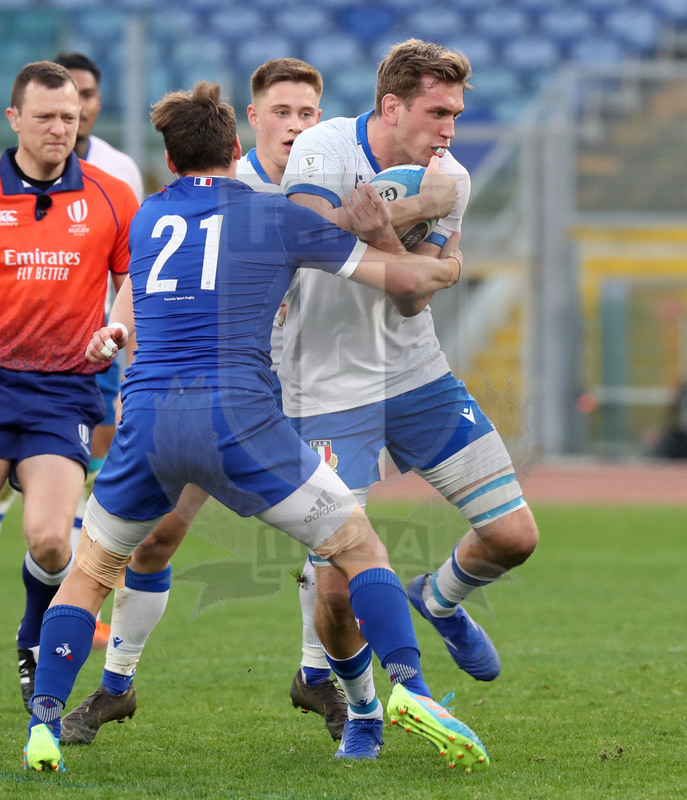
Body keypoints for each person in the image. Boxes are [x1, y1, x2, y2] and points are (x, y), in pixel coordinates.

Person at [22, 80, 488, 776]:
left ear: (171, 159)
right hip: (237, 417)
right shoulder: (275, 218)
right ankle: (410, 690)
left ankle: (44, 729)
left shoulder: (148, 219)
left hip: (149, 418)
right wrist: (440, 247)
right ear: (236, 148)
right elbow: (399, 280)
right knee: (358, 547)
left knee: (89, 573)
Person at [57, 57, 349, 748]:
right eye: (281, 111)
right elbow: (146, 278)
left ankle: (315, 676)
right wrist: (126, 346)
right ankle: (116, 686)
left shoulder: (341, 187)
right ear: (252, 120)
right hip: (209, 391)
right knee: (155, 541)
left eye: (308, 113)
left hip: (311, 390)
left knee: (331, 544)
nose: (295, 125)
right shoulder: (219, 185)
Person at [279, 37, 539, 730]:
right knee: (336, 588)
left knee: (514, 536)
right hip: (327, 389)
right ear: (391, 107)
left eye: (455, 114)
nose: (449, 131)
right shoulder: (324, 148)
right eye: (437, 112)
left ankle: (439, 599)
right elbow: (300, 235)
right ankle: (363, 714)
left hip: (417, 375)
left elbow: (411, 299)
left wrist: (386, 234)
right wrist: (391, 226)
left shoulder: (448, 179)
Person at [0, 61, 138, 715]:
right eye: (48, 116)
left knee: (54, 540)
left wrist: (115, 328)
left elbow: (134, 280)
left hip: (63, 391)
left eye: (71, 116)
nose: (62, 126)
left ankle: (31, 640)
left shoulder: (111, 196)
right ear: (15, 119)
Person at [51, 51, 146, 649]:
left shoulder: (116, 171)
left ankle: (75, 582)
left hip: (94, 352)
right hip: (23, 356)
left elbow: (129, 270)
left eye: (85, 96)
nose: (76, 110)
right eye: (64, 100)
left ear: (96, 102)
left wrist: (124, 343)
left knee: (99, 461)